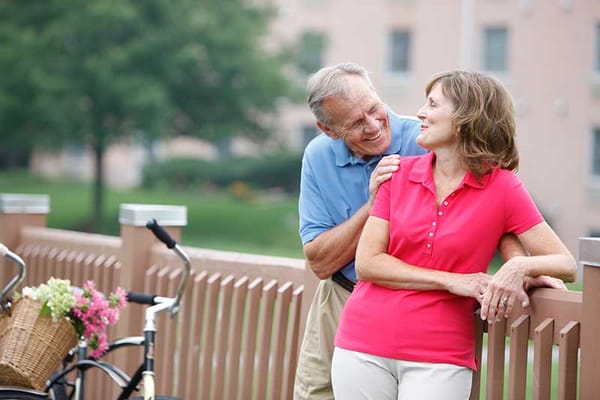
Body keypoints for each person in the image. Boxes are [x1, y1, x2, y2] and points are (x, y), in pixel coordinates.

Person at [294, 63, 565, 400]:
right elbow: (321, 262)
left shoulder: (428, 138)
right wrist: (373, 204)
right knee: (318, 392)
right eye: (356, 123)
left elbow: (496, 208)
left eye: (375, 108)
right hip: (347, 298)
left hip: (431, 319)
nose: (375, 125)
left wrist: (520, 268)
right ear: (328, 129)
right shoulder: (318, 157)